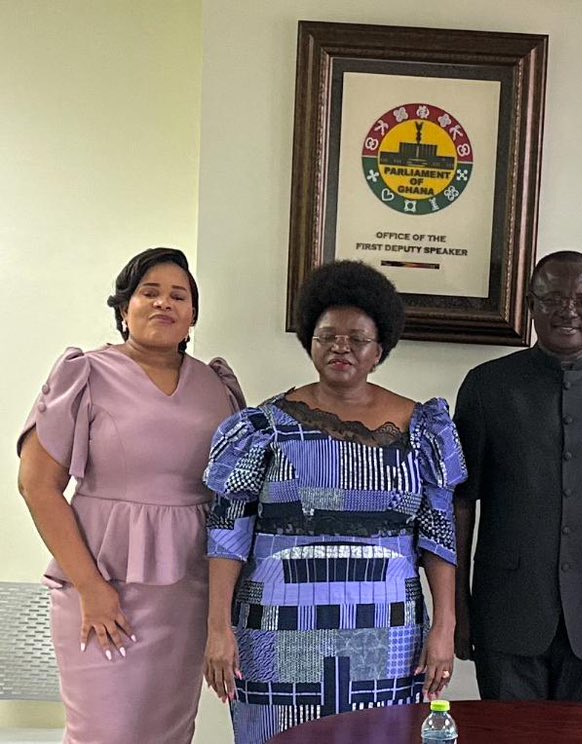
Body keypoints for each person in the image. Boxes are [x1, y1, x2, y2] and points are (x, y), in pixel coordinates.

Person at [203, 260, 466, 744]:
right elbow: (227, 533)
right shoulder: (263, 428)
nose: (340, 347)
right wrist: (218, 629)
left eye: (356, 338)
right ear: (310, 341)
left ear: (379, 348)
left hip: (388, 636)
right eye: (327, 336)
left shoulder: (422, 428)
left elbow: (439, 538)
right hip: (275, 632)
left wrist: (444, 628)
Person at [16, 248, 244, 744]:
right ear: (124, 309)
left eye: (178, 296)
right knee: (104, 732)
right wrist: (92, 589)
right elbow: (37, 484)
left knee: (169, 733)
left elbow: (232, 494)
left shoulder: (217, 387)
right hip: (101, 588)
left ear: (192, 317)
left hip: (187, 593)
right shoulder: (85, 374)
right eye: (149, 293)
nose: (164, 303)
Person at [453, 250, 582, 703]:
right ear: (530, 303)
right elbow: (461, 503)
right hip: (507, 612)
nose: (569, 310)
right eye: (553, 298)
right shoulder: (487, 386)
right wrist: (458, 609)